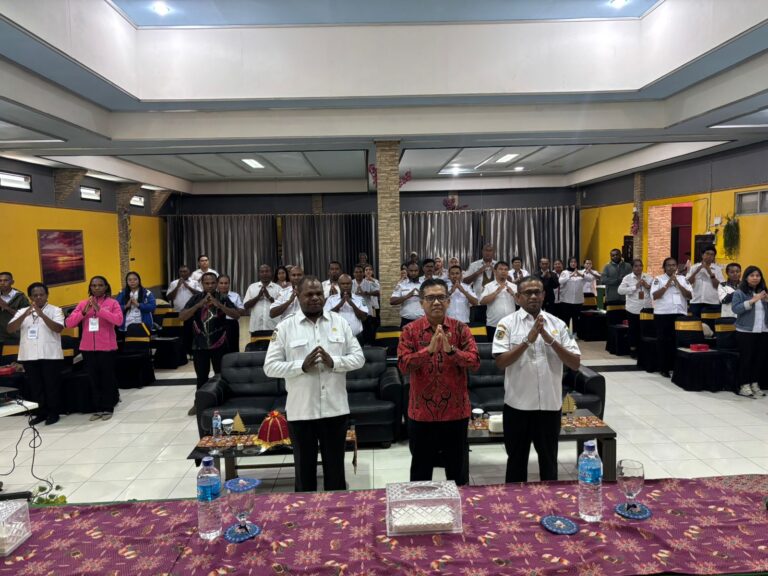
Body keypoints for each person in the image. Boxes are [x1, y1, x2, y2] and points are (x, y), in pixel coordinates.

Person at [264, 276, 365, 492]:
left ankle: (335, 511)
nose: (315, 298)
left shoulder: (340, 323)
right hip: (301, 412)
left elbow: (359, 359)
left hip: (335, 410)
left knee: (336, 473)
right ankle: (304, 512)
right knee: (304, 474)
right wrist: (300, 366)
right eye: (309, 294)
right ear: (298, 296)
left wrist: (334, 362)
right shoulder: (285, 327)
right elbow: (269, 367)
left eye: (319, 293)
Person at [493, 277, 581, 483]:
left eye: (537, 292)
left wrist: (550, 340)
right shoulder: (506, 324)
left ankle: (550, 503)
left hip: (550, 406)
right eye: (527, 292)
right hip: (518, 406)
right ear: (517, 297)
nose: (533, 296)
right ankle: (514, 502)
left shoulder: (559, 324)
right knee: (516, 464)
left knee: (549, 464)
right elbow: (501, 362)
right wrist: (528, 340)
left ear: (544, 295)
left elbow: (575, 363)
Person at [398, 278, 480, 485]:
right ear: (421, 302)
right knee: (421, 471)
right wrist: (428, 350)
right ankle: (421, 504)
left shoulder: (460, 329)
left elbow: (475, 362)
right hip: (421, 413)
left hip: (456, 412)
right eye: (430, 298)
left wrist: (451, 351)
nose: (436, 302)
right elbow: (403, 365)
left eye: (441, 297)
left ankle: (460, 504)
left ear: (448, 301)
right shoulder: (410, 331)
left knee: (457, 471)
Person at [179, 272, 239, 414]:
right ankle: (199, 404)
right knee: (201, 377)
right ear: (202, 284)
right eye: (207, 283)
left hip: (220, 343)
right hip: (199, 344)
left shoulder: (223, 298)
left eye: (212, 283)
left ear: (216, 283)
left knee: (221, 375)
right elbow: (182, 316)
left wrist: (219, 305)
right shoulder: (195, 298)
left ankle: (223, 402)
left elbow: (236, 315)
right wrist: (198, 305)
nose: (210, 286)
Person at [65, 276, 123, 421]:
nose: (97, 288)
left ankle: (108, 407)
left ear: (106, 287)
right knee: (93, 378)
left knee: (107, 378)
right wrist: (83, 312)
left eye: (100, 285)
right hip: (87, 348)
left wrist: (100, 310)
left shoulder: (113, 303)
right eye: (94, 285)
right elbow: (69, 323)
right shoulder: (83, 304)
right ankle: (98, 408)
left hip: (107, 348)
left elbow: (118, 321)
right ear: (90, 287)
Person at [7, 282, 64, 425]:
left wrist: (42, 315)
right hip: (29, 355)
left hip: (50, 354)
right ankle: (41, 413)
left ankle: (53, 413)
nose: (38, 297)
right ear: (30, 297)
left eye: (41, 295)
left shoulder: (56, 310)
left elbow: (58, 328)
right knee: (35, 386)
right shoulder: (22, 311)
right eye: (35, 295)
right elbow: (10, 329)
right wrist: (24, 315)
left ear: (47, 295)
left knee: (51, 385)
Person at [651, 257, 693, 378]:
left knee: (677, 342)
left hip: (679, 313)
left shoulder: (683, 279)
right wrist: (667, 284)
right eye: (668, 265)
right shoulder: (658, 279)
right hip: (663, 314)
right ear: (664, 267)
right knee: (664, 342)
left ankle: (676, 367)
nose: (671, 267)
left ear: (677, 267)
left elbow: (690, 296)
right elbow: (655, 296)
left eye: (673, 265)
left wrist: (678, 284)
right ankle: (664, 368)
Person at [731, 265, 767, 398]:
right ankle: (744, 385)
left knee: (759, 359)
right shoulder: (739, 292)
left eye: (758, 275)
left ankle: (754, 383)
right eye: (752, 275)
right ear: (746, 277)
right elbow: (736, 309)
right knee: (746, 359)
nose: (755, 278)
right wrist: (752, 301)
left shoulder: (764, 292)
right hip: (745, 331)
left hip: (763, 330)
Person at [618, 259, 653, 357]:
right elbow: (620, 291)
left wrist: (648, 286)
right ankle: (633, 349)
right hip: (633, 308)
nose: (638, 268)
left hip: (647, 308)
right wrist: (635, 287)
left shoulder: (648, 277)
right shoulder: (627, 278)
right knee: (633, 330)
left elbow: (654, 291)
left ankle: (644, 350)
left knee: (645, 330)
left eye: (640, 265)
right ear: (632, 267)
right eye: (636, 266)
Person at [324, 274, 369, 344]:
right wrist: (340, 304)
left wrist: (351, 304)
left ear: (352, 284)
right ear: (339, 285)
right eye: (343, 284)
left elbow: (363, 318)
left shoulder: (359, 299)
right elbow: (326, 316)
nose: (345, 286)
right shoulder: (331, 299)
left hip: (356, 337)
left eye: (348, 283)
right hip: (337, 337)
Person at [479, 261, 517, 341]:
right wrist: (496, 292)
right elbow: (482, 302)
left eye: (506, 269)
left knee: (511, 347)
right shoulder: (488, 286)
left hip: (511, 325)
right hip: (494, 325)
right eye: (501, 269)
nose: (503, 271)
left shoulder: (514, 286)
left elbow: (521, 303)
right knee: (494, 347)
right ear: (495, 271)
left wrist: (513, 294)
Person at [686, 245, 724, 318]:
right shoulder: (694, 267)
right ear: (702, 255)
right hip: (696, 301)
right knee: (696, 323)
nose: (709, 256)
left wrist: (710, 272)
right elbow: (688, 283)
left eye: (712, 254)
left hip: (712, 302)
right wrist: (696, 271)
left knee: (711, 324)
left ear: (714, 257)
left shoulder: (717, 269)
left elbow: (720, 286)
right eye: (707, 253)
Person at [244, 264, 282, 335]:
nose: (265, 273)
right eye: (262, 272)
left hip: (274, 328)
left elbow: (281, 308)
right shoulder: (252, 287)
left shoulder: (278, 288)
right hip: (255, 328)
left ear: (271, 273)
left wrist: (269, 297)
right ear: (259, 273)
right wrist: (258, 297)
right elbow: (246, 306)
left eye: (267, 271)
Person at [217, 274, 245, 354]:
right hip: (217, 325)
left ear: (229, 284)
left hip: (232, 324)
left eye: (226, 283)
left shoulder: (235, 295)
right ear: (217, 284)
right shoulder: (214, 296)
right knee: (219, 349)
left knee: (233, 347)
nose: (223, 285)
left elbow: (242, 312)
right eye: (221, 283)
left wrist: (230, 305)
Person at [390, 262, 424, 328]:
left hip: (422, 321)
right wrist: (407, 296)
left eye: (416, 271)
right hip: (406, 321)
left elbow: (431, 299)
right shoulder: (401, 284)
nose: (413, 273)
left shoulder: (424, 283)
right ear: (407, 271)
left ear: (419, 271)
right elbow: (392, 301)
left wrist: (421, 294)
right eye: (411, 271)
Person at [0, 271, 30, 345]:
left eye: (5, 280)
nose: (2, 283)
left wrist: (7, 308)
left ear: (12, 282)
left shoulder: (20, 297)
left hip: (15, 337)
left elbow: (27, 316)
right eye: (0, 281)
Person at [558, 257, 586, 336]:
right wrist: (571, 275)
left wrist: (580, 274)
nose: (573, 263)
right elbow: (560, 281)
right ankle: (566, 334)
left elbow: (589, 279)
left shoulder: (581, 272)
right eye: (571, 262)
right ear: (569, 263)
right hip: (566, 300)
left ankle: (575, 333)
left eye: (575, 262)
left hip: (578, 300)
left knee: (576, 318)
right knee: (566, 318)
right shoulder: (565, 272)